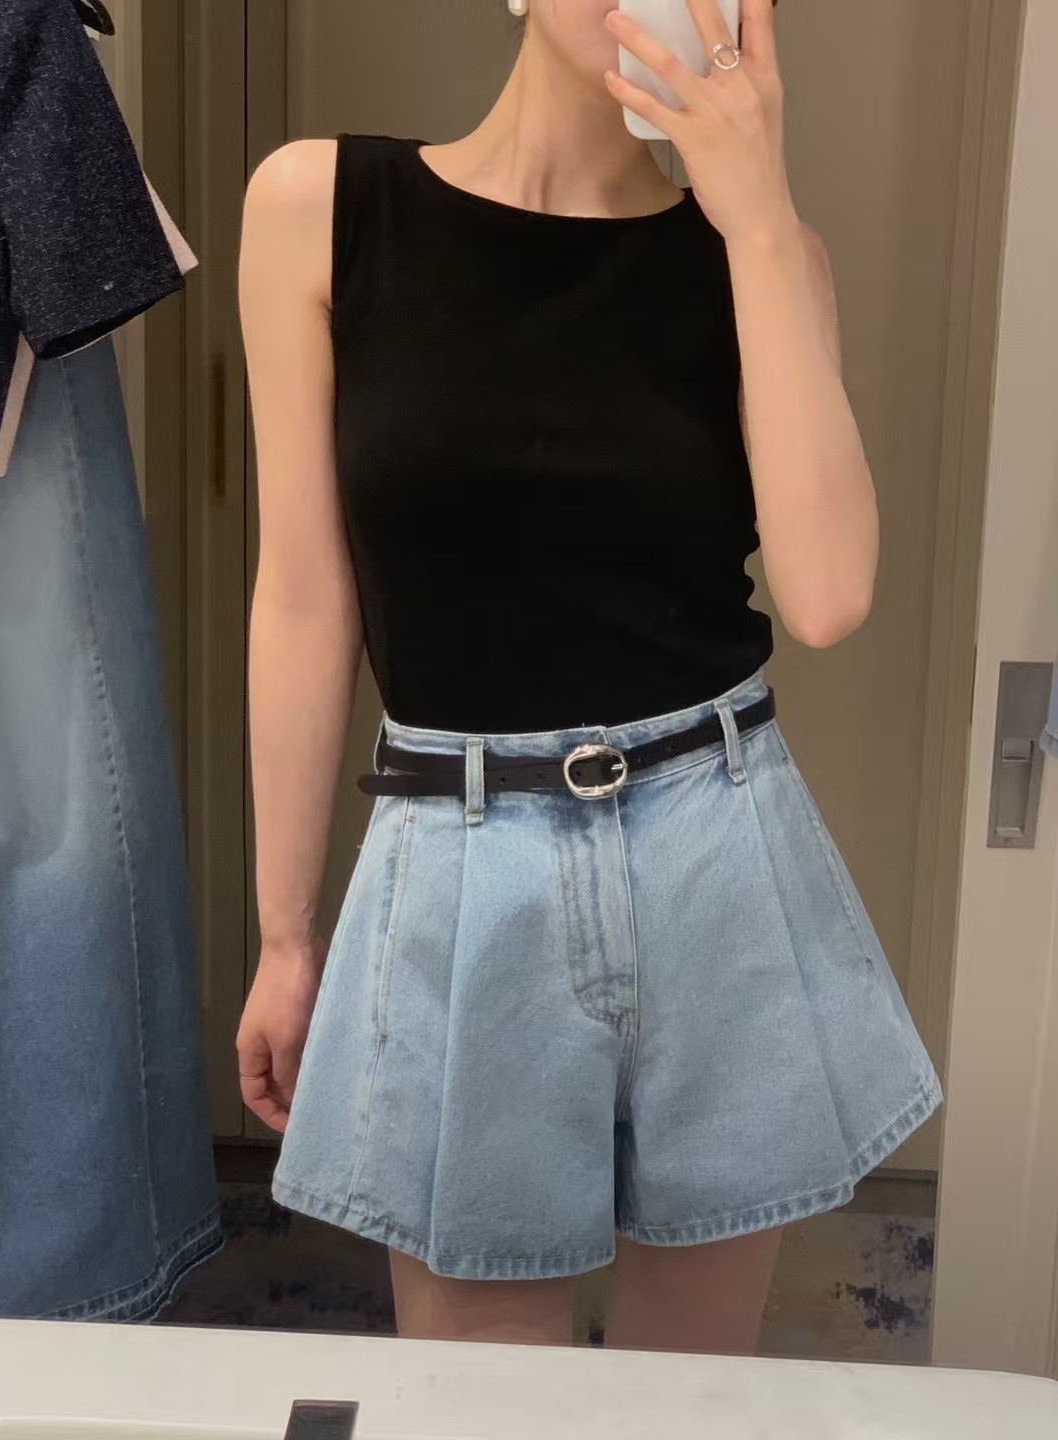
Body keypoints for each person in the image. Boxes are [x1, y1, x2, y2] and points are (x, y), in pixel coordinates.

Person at [236, 0, 941, 1353]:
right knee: (478, 1397)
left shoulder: (764, 255)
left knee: (689, 1393)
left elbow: (829, 594)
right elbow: (305, 596)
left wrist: (757, 214)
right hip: (461, 853)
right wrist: (284, 935)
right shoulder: (320, 209)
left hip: (715, 845)